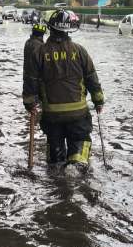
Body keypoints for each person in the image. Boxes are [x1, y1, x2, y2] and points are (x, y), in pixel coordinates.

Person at [22, 9, 105, 169]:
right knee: (79, 157)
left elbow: (30, 82)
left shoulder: (40, 52)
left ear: (50, 29)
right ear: (68, 30)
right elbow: (92, 79)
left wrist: (30, 104)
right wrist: (99, 101)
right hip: (78, 115)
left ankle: (57, 173)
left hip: (52, 116)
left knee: (55, 162)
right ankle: (77, 169)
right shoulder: (80, 51)